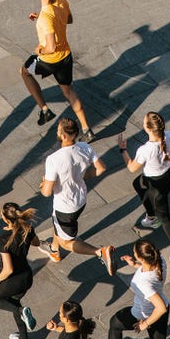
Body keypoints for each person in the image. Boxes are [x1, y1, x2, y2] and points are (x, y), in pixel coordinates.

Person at [20, 0, 95, 141]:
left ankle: (45, 110)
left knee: (24, 72)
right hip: (66, 57)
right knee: (69, 92)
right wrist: (41, 18)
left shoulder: (45, 18)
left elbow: (51, 47)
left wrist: (40, 50)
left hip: (49, 61)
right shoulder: (61, 1)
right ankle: (86, 128)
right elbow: (68, 19)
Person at [39, 117, 116, 275]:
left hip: (66, 207)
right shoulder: (84, 147)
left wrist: (42, 186)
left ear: (64, 136)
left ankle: (100, 252)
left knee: (67, 242)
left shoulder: (54, 159)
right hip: (81, 199)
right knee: (56, 221)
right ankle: (53, 249)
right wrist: (80, 177)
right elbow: (101, 168)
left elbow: (46, 192)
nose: (57, 132)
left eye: (58, 130)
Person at [116, 112, 170, 265]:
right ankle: (151, 217)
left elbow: (132, 168)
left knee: (165, 219)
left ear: (148, 128)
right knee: (137, 184)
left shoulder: (145, 150)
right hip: (166, 177)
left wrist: (123, 150)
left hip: (155, 185)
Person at [0, 202, 40, 339]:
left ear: (5, 219)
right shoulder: (28, 229)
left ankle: (22, 312)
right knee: (14, 302)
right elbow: (37, 243)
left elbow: (8, 269)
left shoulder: (3, 240)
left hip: (12, 281)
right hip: (26, 277)